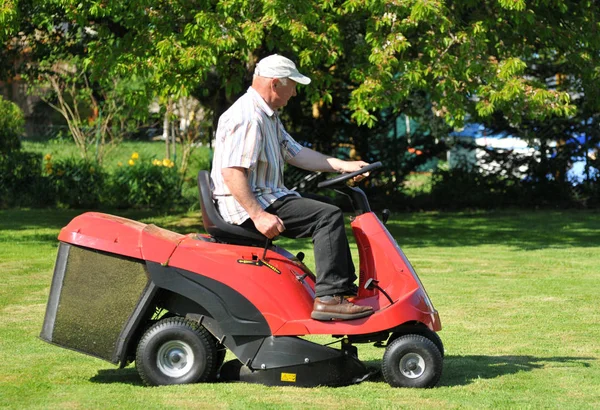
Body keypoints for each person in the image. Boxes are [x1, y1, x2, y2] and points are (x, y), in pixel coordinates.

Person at [210, 54, 373, 321]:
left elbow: (296, 153)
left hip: (267, 196)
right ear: (275, 84)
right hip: (249, 207)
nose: (295, 92)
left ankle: (341, 289)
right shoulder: (248, 117)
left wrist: (343, 165)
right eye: (293, 85)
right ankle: (330, 299)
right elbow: (232, 172)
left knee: (328, 209)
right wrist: (258, 216)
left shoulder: (268, 115)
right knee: (327, 217)